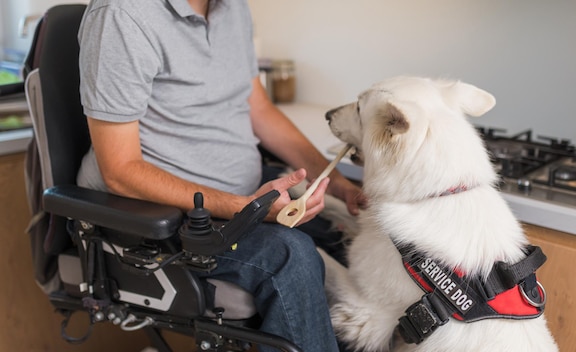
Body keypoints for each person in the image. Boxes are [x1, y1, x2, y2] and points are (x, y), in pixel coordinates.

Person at [76, 0, 366, 350]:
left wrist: (335, 183)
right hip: (159, 220)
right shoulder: (121, 15)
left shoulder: (230, 7)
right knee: (292, 255)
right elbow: (120, 172)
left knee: (353, 234)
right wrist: (244, 208)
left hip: (242, 199)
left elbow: (257, 107)